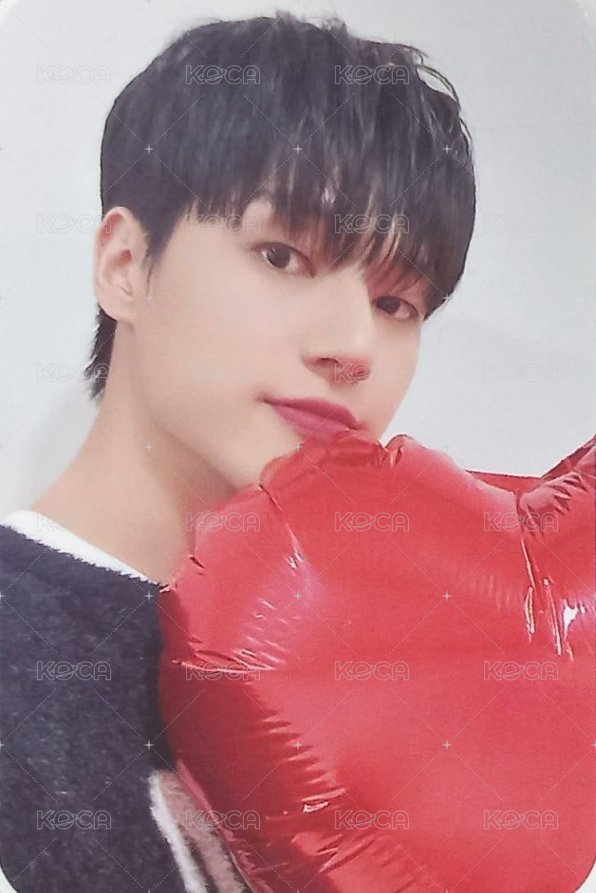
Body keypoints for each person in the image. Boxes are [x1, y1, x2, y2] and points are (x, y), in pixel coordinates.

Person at [0, 10, 476, 891]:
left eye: (396, 303)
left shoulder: (367, 669)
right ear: (125, 264)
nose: (354, 347)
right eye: (283, 256)